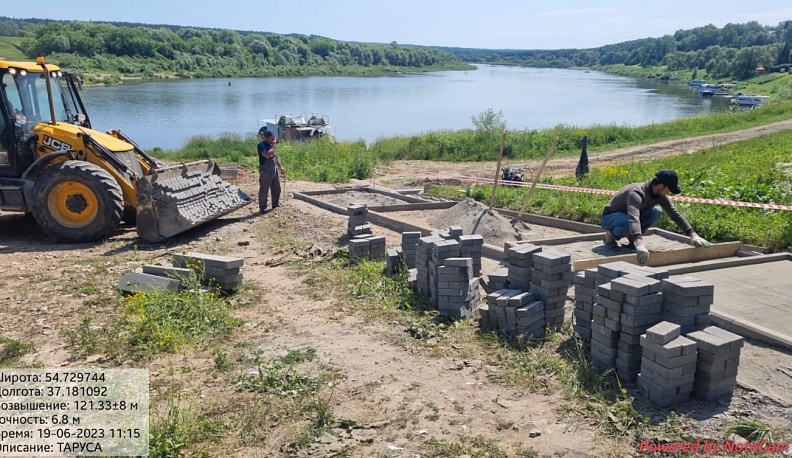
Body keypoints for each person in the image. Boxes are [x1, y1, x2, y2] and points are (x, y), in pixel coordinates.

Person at [600, 170, 710, 264]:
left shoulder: (659, 195)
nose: (669, 192)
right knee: (629, 221)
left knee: (656, 211)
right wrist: (639, 242)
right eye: (669, 189)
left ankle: (631, 238)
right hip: (610, 218)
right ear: (660, 186)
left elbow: (674, 213)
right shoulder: (636, 193)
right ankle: (610, 237)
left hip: (628, 217)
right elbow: (633, 217)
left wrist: (692, 234)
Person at [257, 128, 285, 215]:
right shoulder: (261, 145)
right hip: (265, 170)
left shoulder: (272, 146)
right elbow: (267, 155)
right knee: (264, 190)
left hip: (273, 169)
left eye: (274, 137)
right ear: (266, 138)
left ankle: (275, 204)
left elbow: (275, 157)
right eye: (271, 138)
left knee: (277, 188)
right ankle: (262, 208)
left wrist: (280, 167)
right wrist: (273, 145)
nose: (273, 139)